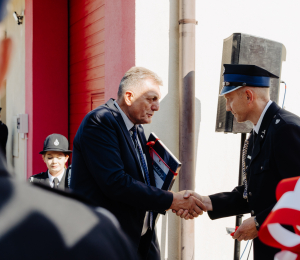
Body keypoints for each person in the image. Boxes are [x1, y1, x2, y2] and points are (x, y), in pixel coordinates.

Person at [0, 0, 138, 258]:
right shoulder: (90, 234)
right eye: (50, 156)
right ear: (4, 60)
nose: (54, 161)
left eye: (60, 156)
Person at [70, 66, 207, 260]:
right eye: (151, 99)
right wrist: (171, 199)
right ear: (128, 97)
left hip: (140, 240)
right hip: (108, 243)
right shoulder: (100, 121)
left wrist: (171, 199)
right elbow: (116, 183)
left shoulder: (136, 128)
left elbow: (141, 180)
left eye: (157, 100)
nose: (157, 107)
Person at [175, 64, 300, 260]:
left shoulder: (286, 129)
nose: (228, 107)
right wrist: (206, 202)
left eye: (229, 99)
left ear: (248, 96)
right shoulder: (257, 135)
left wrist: (259, 222)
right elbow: (251, 193)